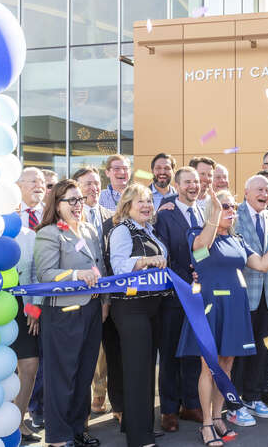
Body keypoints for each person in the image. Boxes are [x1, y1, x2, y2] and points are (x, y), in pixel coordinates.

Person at [177, 188, 268, 446]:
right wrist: (215, 213)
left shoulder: (237, 240)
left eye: (233, 207)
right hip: (211, 308)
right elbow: (200, 251)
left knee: (226, 364)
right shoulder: (197, 235)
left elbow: (262, 266)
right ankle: (206, 424)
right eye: (226, 206)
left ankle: (219, 416)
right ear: (213, 209)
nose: (231, 211)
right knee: (209, 366)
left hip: (234, 307)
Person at [34, 179, 105, 447]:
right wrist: (76, 274)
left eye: (80, 200)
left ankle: (77, 429)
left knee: (84, 374)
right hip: (64, 313)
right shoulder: (50, 233)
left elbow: (100, 268)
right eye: (71, 200)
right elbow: (45, 274)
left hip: (92, 309)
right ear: (57, 204)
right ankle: (57, 437)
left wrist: (105, 301)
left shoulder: (89, 229)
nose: (78, 205)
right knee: (62, 376)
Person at [108, 183, 169, 447]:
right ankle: (138, 437)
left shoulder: (148, 230)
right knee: (136, 370)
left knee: (146, 370)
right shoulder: (121, 230)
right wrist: (145, 261)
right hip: (131, 307)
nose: (146, 206)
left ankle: (141, 425)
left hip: (152, 307)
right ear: (127, 206)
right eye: (140, 202)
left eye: (148, 201)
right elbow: (118, 266)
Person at [228, 175, 268, 426]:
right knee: (240, 351)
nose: (266, 193)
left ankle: (253, 397)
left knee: (264, 346)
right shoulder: (234, 214)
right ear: (246, 192)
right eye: (260, 189)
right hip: (242, 295)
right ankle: (234, 403)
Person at [155, 167, 205, 432]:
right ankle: (169, 410)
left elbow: (206, 247)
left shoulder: (203, 211)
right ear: (177, 185)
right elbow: (162, 255)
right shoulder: (166, 213)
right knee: (171, 352)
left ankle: (191, 404)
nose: (193, 186)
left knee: (193, 352)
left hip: (198, 294)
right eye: (187, 182)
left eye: (196, 182)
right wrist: (184, 277)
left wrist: (203, 270)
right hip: (174, 295)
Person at [73, 167, 122, 420]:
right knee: (86, 352)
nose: (93, 188)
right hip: (79, 295)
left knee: (111, 350)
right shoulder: (71, 219)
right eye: (87, 184)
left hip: (110, 293)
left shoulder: (112, 216)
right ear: (76, 187)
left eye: (96, 183)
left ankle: (111, 401)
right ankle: (86, 405)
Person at [11, 223, 40, 444]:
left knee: (29, 365)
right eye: (33, 183)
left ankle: (18, 422)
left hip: (24, 305)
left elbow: (36, 272)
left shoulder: (28, 233)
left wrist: (34, 307)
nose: (39, 185)